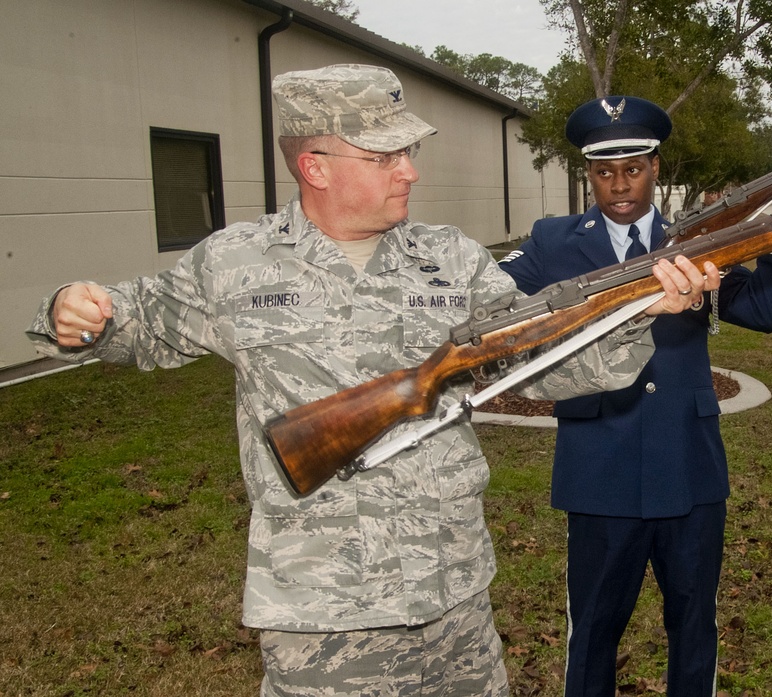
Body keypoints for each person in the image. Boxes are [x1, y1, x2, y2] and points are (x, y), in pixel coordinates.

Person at [25, 67, 718, 697]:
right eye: (384, 156)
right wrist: (76, 309)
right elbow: (139, 321)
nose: (409, 172)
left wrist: (639, 311)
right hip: (322, 618)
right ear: (315, 167)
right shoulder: (234, 265)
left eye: (409, 153)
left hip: (455, 610)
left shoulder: (452, 259)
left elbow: (549, 363)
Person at [498, 95, 772, 697]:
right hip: (599, 471)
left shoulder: (702, 239)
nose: (620, 184)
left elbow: (764, 311)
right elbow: (494, 305)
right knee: (593, 631)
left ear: (655, 167)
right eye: (604, 171)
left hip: (689, 466)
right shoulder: (553, 241)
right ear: (588, 174)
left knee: (694, 628)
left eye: (634, 168)